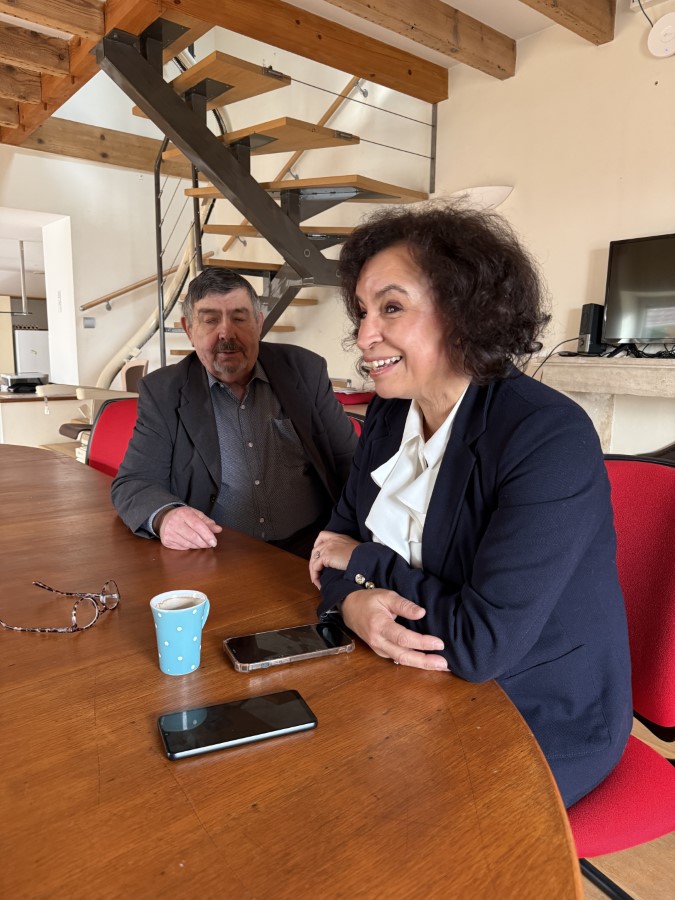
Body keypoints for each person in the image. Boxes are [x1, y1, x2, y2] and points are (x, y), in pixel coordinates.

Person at [309, 203, 632, 808]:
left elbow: (480, 644)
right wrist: (350, 604)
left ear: (465, 312)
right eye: (362, 311)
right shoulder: (387, 414)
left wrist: (366, 565)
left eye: (391, 308)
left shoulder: (547, 436)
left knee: (365, 822)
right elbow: (331, 551)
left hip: (535, 710)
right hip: (409, 685)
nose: (364, 336)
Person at [112, 267, 357, 558]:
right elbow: (135, 482)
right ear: (189, 330)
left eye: (239, 318)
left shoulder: (305, 370)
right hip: (217, 555)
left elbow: (350, 461)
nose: (226, 333)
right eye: (210, 320)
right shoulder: (163, 391)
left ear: (259, 323)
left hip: (312, 548)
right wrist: (166, 516)